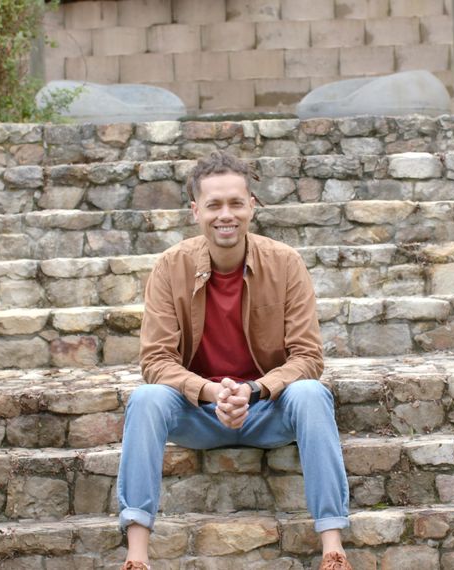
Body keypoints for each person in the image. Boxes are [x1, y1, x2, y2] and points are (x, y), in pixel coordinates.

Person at [117, 151, 352, 570]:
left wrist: (255, 390)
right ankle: (137, 557)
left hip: (266, 409)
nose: (225, 215)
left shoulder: (285, 263)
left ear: (252, 206)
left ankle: (333, 550)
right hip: (199, 412)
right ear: (196, 211)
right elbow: (155, 359)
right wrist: (209, 391)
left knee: (312, 394)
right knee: (146, 399)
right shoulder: (170, 267)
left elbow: (308, 356)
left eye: (235, 203)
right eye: (214, 205)